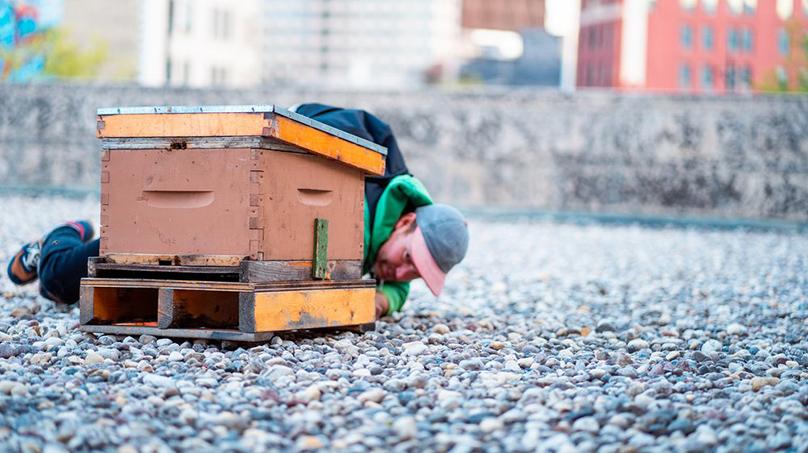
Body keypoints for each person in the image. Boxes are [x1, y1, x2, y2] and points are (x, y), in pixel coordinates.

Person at [6, 103, 469, 319]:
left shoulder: (391, 230)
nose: (402, 271)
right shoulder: (364, 201)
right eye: (410, 258)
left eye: (418, 275)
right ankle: (58, 236)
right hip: (203, 229)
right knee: (60, 282)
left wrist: (388, 297)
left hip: (226, 257)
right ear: (406, 221)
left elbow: (390, 282)